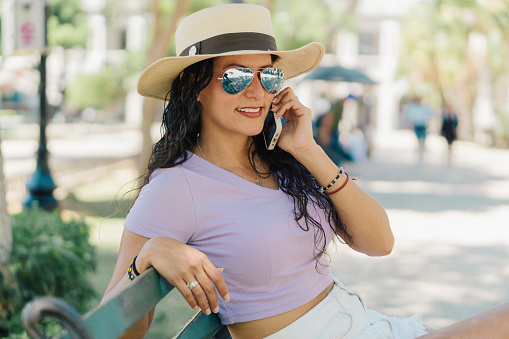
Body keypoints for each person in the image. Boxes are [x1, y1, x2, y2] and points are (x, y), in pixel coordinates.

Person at [102, 4, 509, 339]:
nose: (257, 90)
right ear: (195, 85)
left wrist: (308, 150)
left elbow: (380, 241)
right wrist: (149, 255)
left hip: (363, 324)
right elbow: (111, 326)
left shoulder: (285, 162)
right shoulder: (177, 188)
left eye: (269, 75)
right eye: (237, 76)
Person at [402, 96, 434, 162]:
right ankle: (420, 153)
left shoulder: (425, 107)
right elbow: (409, 115)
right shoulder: (413, 107)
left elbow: (430, 115)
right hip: (417, 125)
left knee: (422, 140)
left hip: (423, 125)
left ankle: (421, 154)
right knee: (418, 140)